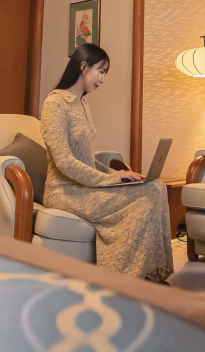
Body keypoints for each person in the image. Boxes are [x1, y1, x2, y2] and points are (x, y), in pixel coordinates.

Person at [40, 43, 173, 283]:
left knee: (156, 187)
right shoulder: (55, 104)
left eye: (105, 73)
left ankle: (150, 274)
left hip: (85, 186)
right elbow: (64, 162)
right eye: (101, 71)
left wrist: (118, 175)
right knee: (146, 196)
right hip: (65, 192)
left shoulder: (82, 103)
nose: (103, 79)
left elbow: (87, 160)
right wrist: (110, 180)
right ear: (83, 66)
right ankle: (122, 281)